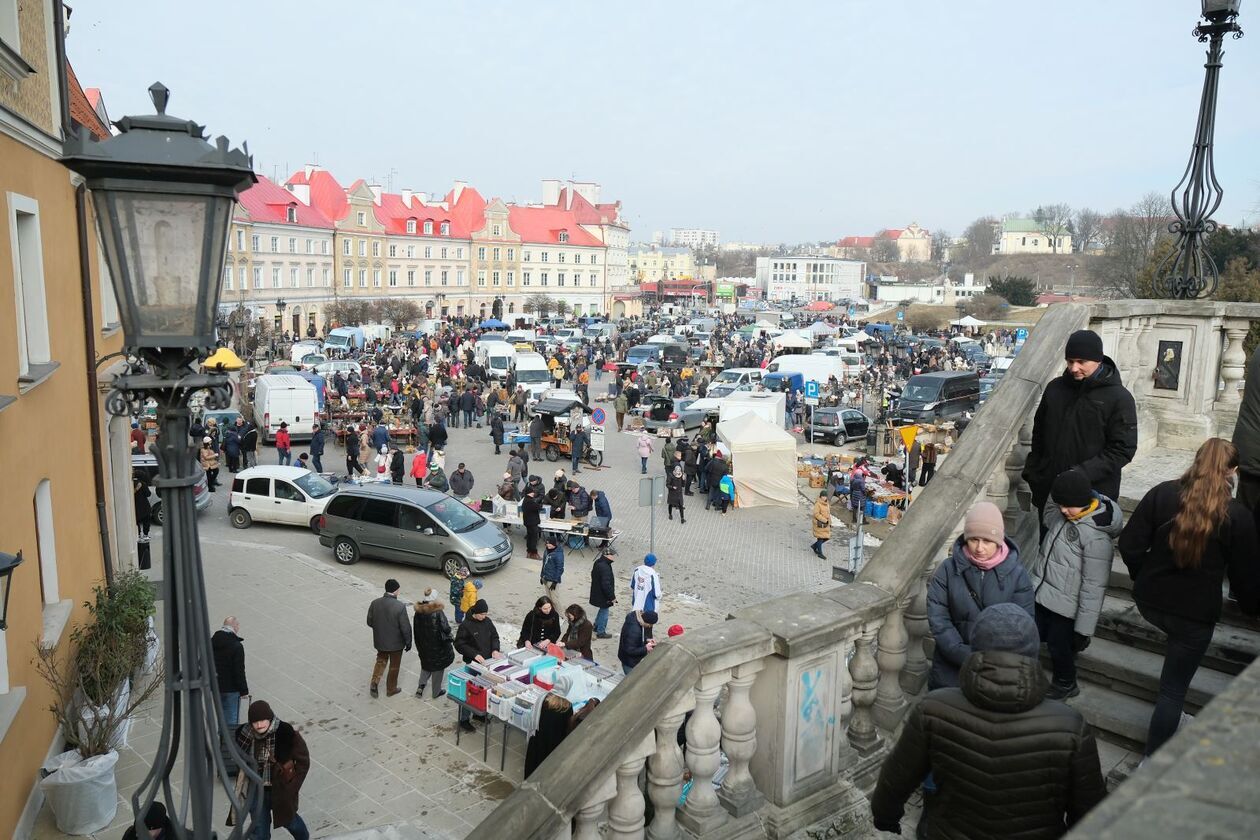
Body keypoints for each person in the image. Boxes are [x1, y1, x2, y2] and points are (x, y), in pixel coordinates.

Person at [870, 604, 1107, 839]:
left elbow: (895, 779)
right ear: (1033, 652)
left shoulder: (933, 708)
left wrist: (886, 818)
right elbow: (1090, 814)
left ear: (975, 648)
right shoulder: (1070, 726)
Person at [1118, 437, 1260, 756]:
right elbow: (1246, 576)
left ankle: (1171, 722)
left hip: (1151, 602)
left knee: (1175, 664)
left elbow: (1129, 545)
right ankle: (1151, 760)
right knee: (1173, 690)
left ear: (1195, 460)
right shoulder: (1237, 515)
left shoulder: (1162, 493)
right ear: (1233, 471)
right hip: (1193, 615)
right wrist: (1251, 610)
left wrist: (1142, 577)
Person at [1022, 329, 1138, 539]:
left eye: (1081, 361)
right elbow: (1038, 435)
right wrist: (1034, 472)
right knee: (1047, 554)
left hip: (1092, 497)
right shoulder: (1055, 389)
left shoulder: (1119, 398)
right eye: (1069, 361)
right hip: (1050, 495)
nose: (1074, 368)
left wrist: (1080, 474)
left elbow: (1123, 448)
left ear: (1098, 360)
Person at [1031, 470, 1122, 700]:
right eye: (1061, 504)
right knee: (1031, 634)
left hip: (1067, 607)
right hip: (1043, 594)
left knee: (1058, 646)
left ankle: (1065, 682)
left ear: (1083, 502)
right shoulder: (1062, 516)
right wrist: (1060, 480)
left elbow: (1094, 587)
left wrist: (1084, 629)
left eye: (1067, 506)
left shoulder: (1096, 538)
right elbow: (1050, 510)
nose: (1062, 510)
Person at [927, 501, 1034, 689]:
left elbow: (1023, 626)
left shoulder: (1017, 575)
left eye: (987, 541)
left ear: (999, 541)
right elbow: (939, 618)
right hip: (950, 667)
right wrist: (962, 653)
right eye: (973, 539)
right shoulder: (947, 569)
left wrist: (990, 660)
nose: (979, 548)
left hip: (996, 671)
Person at [234, 700, 311, 840]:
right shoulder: (244, 735)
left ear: (270, 718)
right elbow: (239, 760)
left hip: (280, 790)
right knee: (259, 831)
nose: (259, 725)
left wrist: (292, 788)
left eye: (263, 720)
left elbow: (303, 762)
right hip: (256, 791)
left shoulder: (286, 733)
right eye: (255, 722)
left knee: (291, 823)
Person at [453, 598, 501, 732]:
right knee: (470, 691)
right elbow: (459, 644)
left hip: (488, 663)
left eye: (486, 614)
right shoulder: (466, 625)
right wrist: (474, 654)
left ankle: (479, 714)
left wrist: (495, 649)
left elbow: (495, 637)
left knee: (484, 690)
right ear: (476, 612)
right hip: (473, 664)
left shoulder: (487, 621)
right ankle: (464, 719)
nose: (484, 617)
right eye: (482, 614)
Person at [366, 579, 412, 698]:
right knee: (394, 666)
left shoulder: (375, 603)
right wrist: (408, 642)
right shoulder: (400, 606)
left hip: (380, 641)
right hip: (396, 644)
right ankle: (391, 689)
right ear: (396, 590)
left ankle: (374, 683)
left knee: (380, 661)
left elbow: (369, 621)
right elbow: (405, 627)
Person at [412, 588, 454, 699]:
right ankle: (436, 692)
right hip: (437, 646)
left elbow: (415, 629)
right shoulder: (438, 612)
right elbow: (446, 628)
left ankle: (420, 687)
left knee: (426, 665)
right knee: (438, 668)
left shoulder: (418, 612)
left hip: (423, 645)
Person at [523, 692, 575, 779]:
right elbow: (567, 726)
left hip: (538, 739)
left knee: (533, 766)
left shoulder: (543, 701)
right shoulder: (567, 707)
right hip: (554, 743)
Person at [212, 616, 248, 726]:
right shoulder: (236, 646)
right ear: (234, 626)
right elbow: (239, 671)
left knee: (221, 717)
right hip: (232, 689)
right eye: (237, 625)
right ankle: (229, 742)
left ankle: (221, 740)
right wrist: (244, 691)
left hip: (216, 687)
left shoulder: (211, 642)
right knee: (232, 720)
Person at [617, 608, 658, 675]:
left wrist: (646, 639)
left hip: (627, 658)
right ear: (646, 621)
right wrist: (646, 648)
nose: (650, 626)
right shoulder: (634, 630)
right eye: (650, 624)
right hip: (629, 662)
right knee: (631, 681)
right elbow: (630, 650)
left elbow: (636, 638)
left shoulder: (636, 619)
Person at [590, 547, 618, 639]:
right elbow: (606, 584)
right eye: (612, 555)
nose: (613, 556)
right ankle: (601, 631)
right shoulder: (605, 567)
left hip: (597, 592)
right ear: (607, 555)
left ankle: (596, 626)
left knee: (602, 610)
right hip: (603, 595)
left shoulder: (598, 562)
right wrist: (612, 597)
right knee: (605, 611)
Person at [522, 481, 544, 559]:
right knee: (534, 538)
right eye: (532, 492)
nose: (533, 493)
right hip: (532, 522)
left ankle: (529, 552)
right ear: (530, 493)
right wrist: (540, 504)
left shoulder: (525, 500)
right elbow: (538, 507)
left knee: (529, 537)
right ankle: (534, 553)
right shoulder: (530, 501)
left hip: (527, 522)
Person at [810, 490, 831, 559]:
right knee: (820, 538)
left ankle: (814, 546)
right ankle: (820, 553)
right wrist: (824, 520)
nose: (824, 497)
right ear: (820, 496)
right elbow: (816, 514)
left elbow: (828, 514)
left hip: (825, 524)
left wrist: (829, 522)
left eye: (825, 496)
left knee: (826, 537)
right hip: (819, 524)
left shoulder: (827, 503)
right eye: (823, 496)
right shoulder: (818, 504)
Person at [133, 471, 152, 544]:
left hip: (135, 506)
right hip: (144, 506)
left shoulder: (130, 483)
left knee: (136, 521)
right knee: (146, 521)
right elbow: (148, 494)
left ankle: (138, 534)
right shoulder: (143, 484)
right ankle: (145, 535)